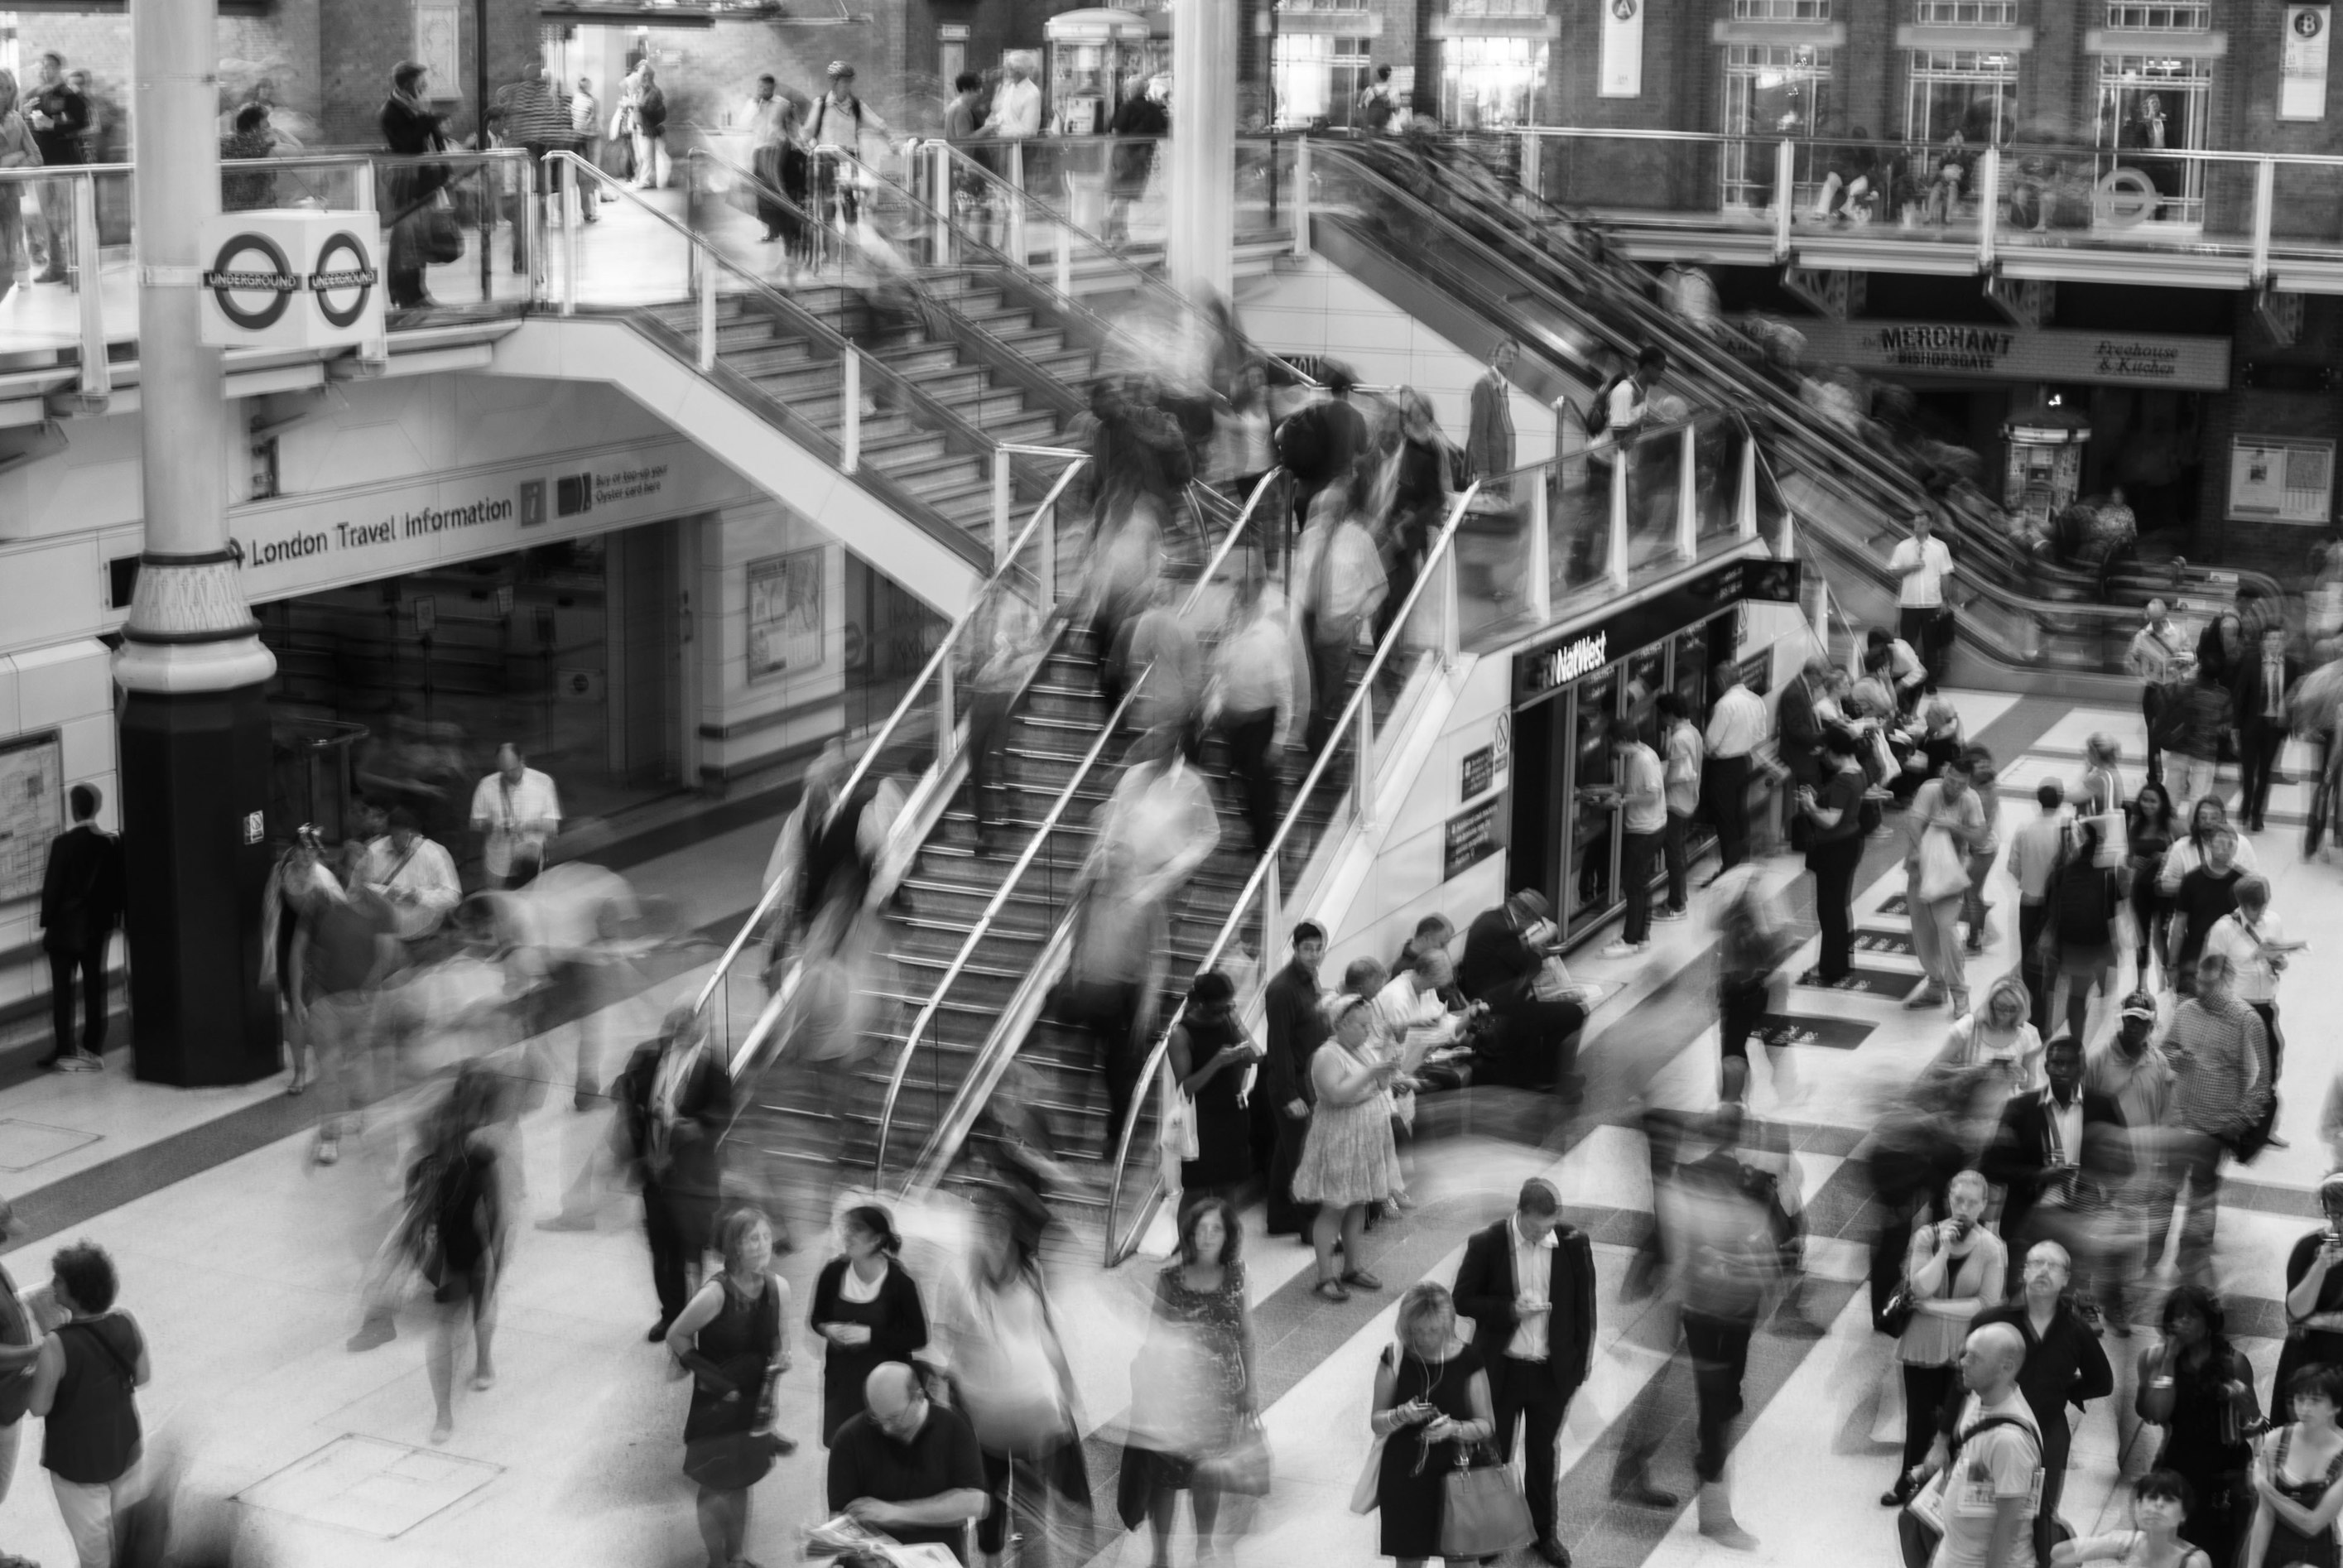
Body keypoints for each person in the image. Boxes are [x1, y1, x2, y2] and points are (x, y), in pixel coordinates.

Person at [1453, 1178, 1610, 1560]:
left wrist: (1579, 1369)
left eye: (1550, 1227)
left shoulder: (1572, 1243)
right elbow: (1463, 1299)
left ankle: (1545, 1533)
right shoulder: (1488, 1243)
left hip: (1550, 1374)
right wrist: (1509, 1310)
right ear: (1520, 1214)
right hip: (1501, 1370)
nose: (1544, 1235)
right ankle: (1491, 1534)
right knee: (1495, 1455)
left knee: (1543, 1455)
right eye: (1537, 1228)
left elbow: (1584, 1312)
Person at [936, 1199, 1088, 1568]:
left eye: (998, 1233)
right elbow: (947, 1341)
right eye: (984, 1234)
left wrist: (1067, 1390)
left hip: (1034, 1407)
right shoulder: (958, 1278)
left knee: (1033, 1498)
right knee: (990, 1496)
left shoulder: (1030, 1273)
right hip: (982, 1409)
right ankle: (993, 1559)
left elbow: (1048, 1333)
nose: (992, 1242)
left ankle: (1034, 1558)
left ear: (1010, 1236)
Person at [1951, 1242, 2114, 1559]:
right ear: (2023, 1270)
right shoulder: (1992, 1319)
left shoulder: (2076, 1330)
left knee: (2039, 1516)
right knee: (1980, 1512)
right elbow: (1961, 1377)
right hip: (1991, 1433)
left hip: (2047, 1437)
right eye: (2037, 1262)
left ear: (2066, 1278)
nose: (2043, 1270)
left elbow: (2103, 1382)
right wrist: (1943, 1437)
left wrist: (2067, 1390)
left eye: (2053, 1266)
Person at [1123, 1196, 1257, 1568]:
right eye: (1200, 1229)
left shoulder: (1238, 1276)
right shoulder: (1170, 1280)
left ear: (1229, 1234)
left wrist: (1252, 1386)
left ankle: (1204, 1546)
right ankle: (1161, 1553)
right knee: (1165, 1478)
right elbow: (1152, 1340)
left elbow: (1246, 1335)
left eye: (1216, 1228)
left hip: (1220, 1397)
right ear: (1189, 1234)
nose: (1207, 1236)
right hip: (1174, 1396)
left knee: (1208, 1473)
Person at [670, 1207, 794, 1568]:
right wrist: (714, 1380)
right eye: (752, 1238)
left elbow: (779, 1341)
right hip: (715, 1409)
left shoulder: (778, 1288)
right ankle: (716, 1562)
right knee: (713, 1486)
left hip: (754, 1406)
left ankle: (737, 1556)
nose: (762, 1245)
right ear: (735, 1246)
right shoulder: (716, 1294)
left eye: (767, 1237)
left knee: (743, 1481)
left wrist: (781, 1360)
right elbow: (678, 1336)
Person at [1884, 1170, 2006, 1508]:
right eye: (1958, 1200)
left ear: (1984, 1205)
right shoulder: (1927, 1236)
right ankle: (1908, 1479)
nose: (1963, 1208)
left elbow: (1986, 1304)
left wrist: (1934, 1307)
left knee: (1953, 1423)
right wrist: (1944, 1251)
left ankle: (1945, 1488)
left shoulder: (1992, 1248)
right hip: (1922, 1344)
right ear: (1948, 1200)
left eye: (1972, 1202)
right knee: (1919, 1418)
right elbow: (1920, 1286)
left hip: (1965, 1349)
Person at [29, 1241, 149, 1568]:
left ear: (75, 1289)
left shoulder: (57, 1344)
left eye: (58, 1279)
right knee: (133, 1549)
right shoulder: (126, 1321)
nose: (52, 1285)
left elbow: (38, 1406)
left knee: (96, 1558)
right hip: (125, 1448)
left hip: (77, 1463)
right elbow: (142, 1376)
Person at [618, 1006, 732, 1344]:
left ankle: (697, 1319)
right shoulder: (647, 1060)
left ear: (702, 1029)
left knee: (692, 1255)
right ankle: (669, 1316)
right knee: (661, 1251)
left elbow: (719, 1118)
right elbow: (629, 1099)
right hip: (655, 1177)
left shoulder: (712, 1070)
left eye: (689, 1023)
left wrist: (687, 1128)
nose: (681, 1029)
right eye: (676, 1023)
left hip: (693, 1184)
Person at [410, 1063, 509, 1444]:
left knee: (482, 1309)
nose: (436, 1131)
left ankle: (484, 1357)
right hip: (443, 1263)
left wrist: (495, 1256)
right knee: (443, 1331)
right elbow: (413, 1227)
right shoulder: (422, 1170)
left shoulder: (479, 1158)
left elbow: (496, 1212)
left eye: (442, 1124)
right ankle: (443, 1412)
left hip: (474, 1252)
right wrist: (425, 1270)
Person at [1367, 1282, 1499, 1568]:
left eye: (1433, 1331)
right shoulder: (1394, 1358)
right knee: (1410, 1560)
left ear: (1448, 1324)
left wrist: (1454, 1428)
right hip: (1405, 1477)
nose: (1425, 1339)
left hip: (1459, 1472)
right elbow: (1377, 1422)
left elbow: (1487, 1424)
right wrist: (1401, 1415)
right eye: (1417, 1331)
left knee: (1463, 1561)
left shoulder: (1468, 1359)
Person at [2164, 953, 2273, 1285]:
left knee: (2201, 1193)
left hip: (2214, 1129)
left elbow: (2262, 1079)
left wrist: (2240, 1120)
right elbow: (2164, 1047)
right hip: (2179, 1121)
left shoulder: (2246, 1021)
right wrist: (2174, 1056)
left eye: (2209, 984)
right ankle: (2156, 1248)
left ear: (2227, 981)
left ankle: (2191, 1257)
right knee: (2165, 1189)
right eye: (2199, 980)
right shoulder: (2185, 1011)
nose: (2201, 988)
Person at [2139, 1285, 2259, 1568]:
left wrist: (2245, 1408)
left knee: (2219, 1552)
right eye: (2175, 1317)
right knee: (2168, 1550)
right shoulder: (2154, 1358)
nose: (2181, 1323)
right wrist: (2168, 1360)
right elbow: (2156, 1414)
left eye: (2190, 1316)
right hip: (2177, 1467)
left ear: (2209, 1323)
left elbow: (2253, 1425)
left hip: (2224, 1476)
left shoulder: (2234, 1363)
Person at [1295, 994, 1404, 1302]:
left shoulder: (1365, 1048)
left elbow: (1382, 1087)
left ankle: (1352, 1267)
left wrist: (1387, 1067)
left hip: (1367, 1134)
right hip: (1340, 1137)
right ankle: (1324, 1275)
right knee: (1334, 1207)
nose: (1367, 1032)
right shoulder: (1327, 1055)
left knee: (1359, 1202)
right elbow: (1335, 1095)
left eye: (1370, 1025)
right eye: (1361, 1025)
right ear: (1341, 1023)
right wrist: (1372, 1073)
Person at [827, 1362, 989, 1563]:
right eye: (877, 1417)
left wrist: (896, 1513)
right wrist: (855, 1552)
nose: (885, 1428)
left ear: (919, 1397)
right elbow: (839, 1518)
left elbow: (975, 1502)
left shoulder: (952, 1425)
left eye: (894, 1418)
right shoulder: (848, 1438)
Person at [1918, 1322, 2043, 1568]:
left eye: (1973, 1358)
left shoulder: (2010, 1441)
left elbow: (2009, 1529)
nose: (1962, 1362)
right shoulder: (1978, 1398)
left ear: (2005, 1367)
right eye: (1965, 1354)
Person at [811, 1206, 930, 1446]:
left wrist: (871, 1336)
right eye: (846, 1228)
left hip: (886, 1391)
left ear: (877, 1239)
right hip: (842, 1385)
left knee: (881, 1453)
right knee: (844, 1449)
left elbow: (919, 1336)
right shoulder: (833, 1273)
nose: (848, 1235)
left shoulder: (900, 1282)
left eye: (857, 1229)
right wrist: (827, 1329)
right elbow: (817, 1318)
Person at [1296, 463, 1388, 755]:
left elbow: (1380, 587)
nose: (1323, 516)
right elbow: (1300, 578)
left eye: (1329, 510)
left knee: (1329, 696)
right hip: (1307, 623)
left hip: (1339, 626)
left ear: (1342, 510)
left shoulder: (1359, 540)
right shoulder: (1309, 537)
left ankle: (1329, 751)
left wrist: (1358, 614)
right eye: (1320, 510)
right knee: (1312, 696)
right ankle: (1321, 751)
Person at [1458, 889, 1589, 1094]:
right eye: (1535, 922)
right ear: (1526, 916)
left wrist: (1527, 945)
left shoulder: (1490, 918)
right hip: (1497, 1009)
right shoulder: (1503, 932)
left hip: (1493, 1000)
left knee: (1554, 1010)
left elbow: (1514, 955)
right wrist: (1537, 949)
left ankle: (1547, 1075)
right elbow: (1530, 965)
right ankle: (1547, 1078)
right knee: (1573, 1013)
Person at [956, 580, 1046, 854]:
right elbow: (965, 646)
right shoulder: (977, 608)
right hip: (981, 694)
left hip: (1007, 692)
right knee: (977, 763)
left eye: (993, 583)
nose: (988, 589)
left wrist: (1012, 650)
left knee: (1001, 756)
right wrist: (963, 666)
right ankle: (983, 831)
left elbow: (1037, 642)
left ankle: (1012, 807)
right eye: (985, 584)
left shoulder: (1020, 601)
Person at [38, 783, 123, 1073]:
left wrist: (47, 921)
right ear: (95, 808)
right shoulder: (108, 845)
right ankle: (92, 1046)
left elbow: (52, 890)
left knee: (63, 991)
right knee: (93, 987)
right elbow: (115, 888)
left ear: (74, 809)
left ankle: (64, 1049)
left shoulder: (62, 845)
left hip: (64, 930)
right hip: (96, 929)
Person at [1904, 753, 1990, 1015]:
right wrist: (1925, 852)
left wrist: (1955, 827)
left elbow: (1979, 837)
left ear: (1968, 784)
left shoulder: (1970, 800)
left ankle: (1959, 992)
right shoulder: (1930, 790)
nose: (1953, 788)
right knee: (1922, 931)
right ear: (1945, 773)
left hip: (1949, 878)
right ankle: (1935, 985)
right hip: (1920, 873)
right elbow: (1913, 823)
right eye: (1950, 781)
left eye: (1960, 784)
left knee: (1947, 930)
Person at [1262, 921, 1330, 1239]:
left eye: (1318, 949)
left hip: (1307, 1080)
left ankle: (1280, 1218)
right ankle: (1310, 1227)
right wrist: (1291, 1094)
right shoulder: (1283, 989)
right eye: (1307, 949)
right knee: (1304, 1156)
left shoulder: (1309, 980)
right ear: (1295, 949)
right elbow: (1279, 1046)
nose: (1314, 955)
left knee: (1285, 1151)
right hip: (1291, 1084)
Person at [1167, 971, 1259, 1204]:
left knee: (1227, 1187)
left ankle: (1224, 1237)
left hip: (1231, 1115)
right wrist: (1217, 1062)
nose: (1224, 1011)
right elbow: (1185, 1088)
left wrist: (1237, 1021)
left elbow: (1256, 1056)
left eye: (1228, 1005)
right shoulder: (1182, 1033)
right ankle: (1190, 1239)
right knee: (1196, 1191)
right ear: (1202, 1003)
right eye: (1219, 1007)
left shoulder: (1227, 1021)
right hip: (1200, 1121)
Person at [2244, 1364, 2343, 1568]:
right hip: (2274, 1550)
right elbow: (2265, 1514)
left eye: (2315, 1401)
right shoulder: (2276, 1440)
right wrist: (2253, 1565)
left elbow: (2313, 1524)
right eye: (2299, 1399)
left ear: (2335, 1406)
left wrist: (2265, 1488)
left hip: (2317, 1557)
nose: (2305, 1409)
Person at [2204, 874, 2294, 1085]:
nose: (2260, 912)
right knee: (2237, 1065)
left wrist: (2279, 961)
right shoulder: (2223, 929)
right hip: (2237, 1007)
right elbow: (2211, 972)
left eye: (2263, 905)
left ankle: (2266, 1099)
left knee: (2273, 1054)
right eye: (2255, 907)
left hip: (2266, 1004)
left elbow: (2284, 962)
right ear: (2242, 904)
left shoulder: (2273, 921)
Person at [1795, 731, 1868, 985]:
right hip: (1850, 842)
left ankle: (1831, 968)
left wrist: (1810, 807)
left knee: (1829, 909)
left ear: (1835, 752)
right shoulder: (1859, 772)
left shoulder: (1843, 781)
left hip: (1835, 848)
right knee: (1838, 906)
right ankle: (1839, 964)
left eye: (1826, 753)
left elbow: (1830, 820)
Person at [379, 62, 451, 311]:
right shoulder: (391, 111)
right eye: (421, 83)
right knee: (405, 241)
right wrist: (429, 119)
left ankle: (418, 292)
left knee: (418, 240)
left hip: (426, 182)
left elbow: (434, 140)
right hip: (406, 184)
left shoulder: (418, 108)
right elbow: (408, 144)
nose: (425, 87)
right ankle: (405, 294)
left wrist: (445, 170)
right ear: (408, 84)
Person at [2045, 820, 2124, 1046]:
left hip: (2074, 945)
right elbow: (2114, 913)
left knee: (2078, 995)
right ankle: (2086, 1037)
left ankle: (2077, 1041)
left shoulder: (2061, 873)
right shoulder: (2107, 875)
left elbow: (2052, 911)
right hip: (2096, 944)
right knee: (2094, 990)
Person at [2273, 1175, 2343, 1422]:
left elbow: (2304, 1321)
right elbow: (2296, 1313)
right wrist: (2321, 1265)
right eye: (2334, 1215)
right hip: (2308, 1357)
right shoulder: (2310, 1247)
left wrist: (2316, 1321)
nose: (2339, 1224)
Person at [2009, 779, 2072, 1034]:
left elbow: (2013, 867)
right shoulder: (2067, 828)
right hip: (2059, 906)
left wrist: (2031, 881)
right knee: (2053, 961)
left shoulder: (2025, 828)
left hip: (2030, 902)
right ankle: (2049, 1018)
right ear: (2061, 800)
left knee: (2029, 961)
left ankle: (2034, 1018)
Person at [1602, 724, 1667, 960]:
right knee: (1640, 884)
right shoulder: (1641, 756)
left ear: (1622, 740)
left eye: (1613, 743)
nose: (1613, 748)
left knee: (1632, 886)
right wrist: (1600, 790)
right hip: (1650, 828)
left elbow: (1653, 794)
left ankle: (1630, 940)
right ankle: (1640, 937)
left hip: (1644, 831)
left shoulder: (1643, 760)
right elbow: (1632, 787)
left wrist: (1621, 801)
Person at [2053, 1470, 2210, 1568]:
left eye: (2169, 1499)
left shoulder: (2193, 1561)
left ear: (2183, 1514)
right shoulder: (2126, 1542)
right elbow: (2060, 1553)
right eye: (2152, 1497)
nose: (2158, 1505)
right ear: (2138, 1507)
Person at [1703, 658, 1768, 878]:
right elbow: (1761, 735)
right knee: (1741, 814)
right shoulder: (1755, 700)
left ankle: (1730, 867)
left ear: (1722, 680)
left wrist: (1710, 753)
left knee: (1725, 818)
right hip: (1744, 763)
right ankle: (1743, 861)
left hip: (1724, 767)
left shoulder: (1725, 705)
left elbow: (1711, 743)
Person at [25, 52, 85, 290]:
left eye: (49, 66)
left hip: (65, 165)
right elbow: (24, 122)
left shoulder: (70, 96)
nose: (44, 70)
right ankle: (56, 266)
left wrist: (54, 125)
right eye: (41, 66)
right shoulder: (34, 96)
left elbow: (83, 123)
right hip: (43, 166)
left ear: (59, 69)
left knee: (68, 219)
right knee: (47, 220)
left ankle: (76, 267)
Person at [360, 805, 462, 945]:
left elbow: (453, 895)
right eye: (395, 836)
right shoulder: (374, 851)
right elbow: (360, 886)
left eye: (406, 836)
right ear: (389, 833)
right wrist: (385, 892)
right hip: (383, 930)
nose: (400, 842)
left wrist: (419, 896)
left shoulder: (435, 853)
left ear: (416, 834)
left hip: (423, 929)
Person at [2233, 627, 2299, 835]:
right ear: (2263, 642)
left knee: (2265, 773)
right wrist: (2235, 726)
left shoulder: (2292, 665)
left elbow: (2296, 698)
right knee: (2247, 770)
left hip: (2275, 727)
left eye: (2279, 638)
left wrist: (2291, 723)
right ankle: (2246, 806)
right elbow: (2239, 695)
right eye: (2271, 639)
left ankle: (2257, 815)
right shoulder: (2250, 661)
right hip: (2251, 725)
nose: (2275, 642)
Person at [2166, 826, 2244, 1000]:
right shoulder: (2192, 880)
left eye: (2230, 844)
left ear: (2236, 849)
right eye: (2220, 842)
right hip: (2194, 958)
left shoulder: (2242, 882)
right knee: (2188, 1009)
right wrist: (2172, 964)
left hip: (2229, 962)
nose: (2224, 848)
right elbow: (2179, 925)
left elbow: (2250, 924)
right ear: (2209, 845)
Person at [469, 742, 560, 888]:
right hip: (498, 864)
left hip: (530, 862)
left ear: (522, 760)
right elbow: (475, 822)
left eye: (513, 769)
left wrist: (528, 826)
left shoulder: (543, 783)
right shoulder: (486, 785)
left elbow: (553, 827)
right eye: (505, 771)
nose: (510, 775)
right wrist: (492, 825)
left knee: (528, 904)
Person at [1889, 509, 1957, 682]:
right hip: (1909, 604)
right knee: (1906, 645)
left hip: (1932, 604)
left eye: (1921, 523)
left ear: (1930, 525)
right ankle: (1904, 679)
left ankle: (1930, 682)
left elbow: (1945, 575)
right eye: (1916, 523)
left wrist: (1945, 600)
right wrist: (1911, 568)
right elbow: (1893, 571)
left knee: (1931, 645)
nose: (1917, 526)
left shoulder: (1940, 548)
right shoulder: (1903, 546)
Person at [2130, 600, 2191, 782]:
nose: (2155, 624)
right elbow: (2134, 660)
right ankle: (2155, 776)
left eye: (2158, 619)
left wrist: (2179, 666)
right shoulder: (2142, 636)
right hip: (2153, 690)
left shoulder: (2178, 633)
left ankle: (2182, 776)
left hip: (2173, 690)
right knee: (2153, 735)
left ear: (2165, 616)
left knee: (2178, 734)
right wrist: (2142, 672)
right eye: (2152, 619)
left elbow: (2190, 658)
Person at [2163, 664, 2234, 816]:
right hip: (2205, 752)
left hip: (2179, 747)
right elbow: (2225, 726)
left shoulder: (2182, 688)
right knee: (2198, 798)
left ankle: (2168, 827)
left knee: (2172, 794)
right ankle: (2193, 831)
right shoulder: (2223, 695)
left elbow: (2165, 702)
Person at [1659, 691, 1705, 921]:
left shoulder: (1677, 739)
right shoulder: (1693, 732)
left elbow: (1672, 775)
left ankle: (1677, 904)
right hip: (1689, 798)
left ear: (1669, 715)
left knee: (1674, 853)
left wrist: (1655, 784)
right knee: (1678, 851)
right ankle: (1679, 897)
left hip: (1675, 802)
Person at [2127, 782, 2178, 984]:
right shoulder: (2136, 824)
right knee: (2141, 939)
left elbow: (2184, 850)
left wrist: (2166, 855)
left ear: (2162, 803)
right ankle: (2141, 985)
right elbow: (2126, 853)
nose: (2148, 805)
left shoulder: (2171, 826)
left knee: (2163, 936)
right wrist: (2131, 861)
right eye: (2144, 800)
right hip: (2140, 889)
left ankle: (2168, 982)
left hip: (2164, 890)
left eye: (2153, 801)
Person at [0, 70, 36, 311]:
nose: (2, 94)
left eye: (7, 89)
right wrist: (10, 159)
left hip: (10, 197)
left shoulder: (16, 120)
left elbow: (36, 157)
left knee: (8, 266)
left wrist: (13, 164)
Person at [1468, 338, 1518, 483]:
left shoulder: (1500, 385)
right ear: (1495, 355)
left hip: (1502, 468)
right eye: (1508, 353)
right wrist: (1483, 471)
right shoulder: (1484, 385)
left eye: (1515, 355)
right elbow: (1478, 432)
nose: (1511, 358)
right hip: (1491, 472)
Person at [219, 103, 277, 210]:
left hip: (225, 203)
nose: (268, 125)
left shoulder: (223, 141)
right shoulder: (262, 144)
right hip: (254, 204)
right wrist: (278, 133)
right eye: (265, 121)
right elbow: (297, 150)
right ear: (256, 124)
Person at [629, 64, 668, 190]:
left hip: (649, 128)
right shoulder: (644, 90)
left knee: (648, 157)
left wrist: (638, 106)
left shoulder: (654, 92)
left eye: (639, 75)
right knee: (644, 157)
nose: (637, 77)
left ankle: (647, 181)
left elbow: (651, 110)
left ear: (646, 76)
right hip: (642, 128)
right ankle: (647, 180)